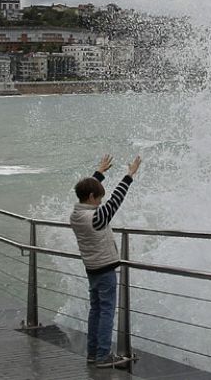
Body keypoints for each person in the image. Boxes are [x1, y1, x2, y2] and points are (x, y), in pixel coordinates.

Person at [70, 154, 141, 368]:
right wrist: (129, 175)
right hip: (105, 270)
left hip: (92, 269)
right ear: (92, 197)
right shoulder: (96, 218)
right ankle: (102, 356)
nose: (101, 201)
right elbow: (115, 201)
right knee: (107, 313)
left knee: (96, 311)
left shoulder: (77, 213)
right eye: (98, 198)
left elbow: (87, 193)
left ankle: (93, 354)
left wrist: (99, 174)